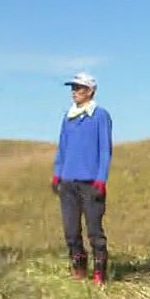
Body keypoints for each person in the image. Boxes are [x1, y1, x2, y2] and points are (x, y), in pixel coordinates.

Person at [51, 72, 113, 285]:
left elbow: (105, 149)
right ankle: (78, 267)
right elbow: (62, 147)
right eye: (73, 88)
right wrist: (58, 174)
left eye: (79, 88)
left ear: (90, 91)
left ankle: (99, 273)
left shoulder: (100, 116)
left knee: (94, 230)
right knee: (71, 230)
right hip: (68, 181)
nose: (74, 92)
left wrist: (101, 179)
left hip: (90, 182)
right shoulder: (68, 117)